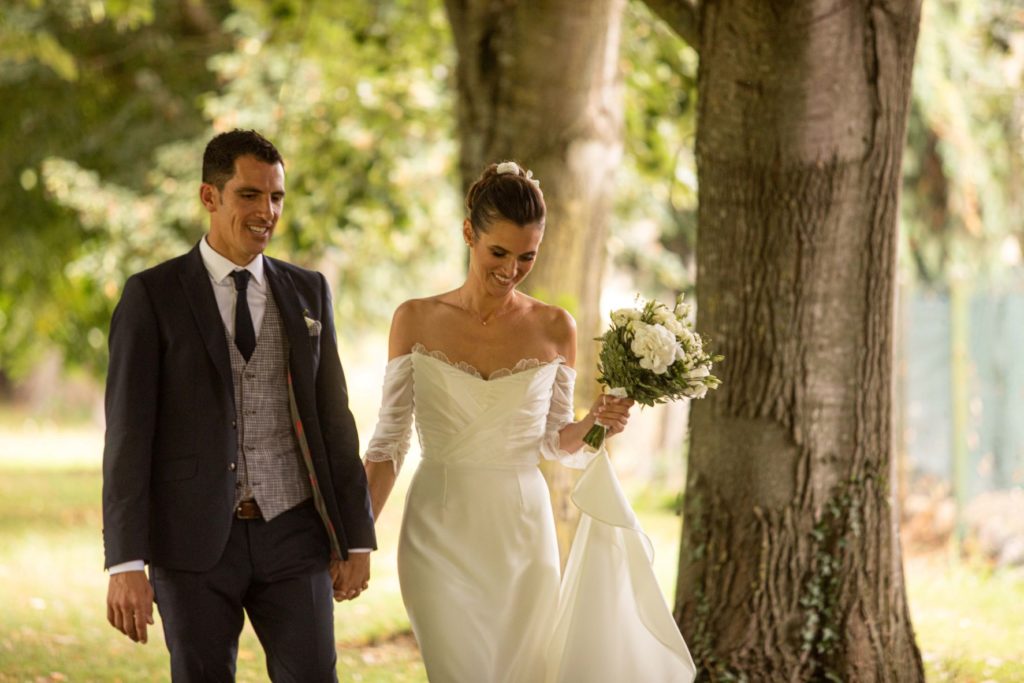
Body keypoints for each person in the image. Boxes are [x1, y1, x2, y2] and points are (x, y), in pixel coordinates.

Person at [363, 160, 696, 682]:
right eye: (498, 252)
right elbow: (387, 444)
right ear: (468, 232)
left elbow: (556, 442)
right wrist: (356, 540)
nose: (511, 269)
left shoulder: (554, 328)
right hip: (437, 531)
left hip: (522, 535)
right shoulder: (415, 319)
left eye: (526, 257)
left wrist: (598, 423)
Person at [102, 129, 375, 682]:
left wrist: (356, 535)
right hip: (191, 541)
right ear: (210, 197)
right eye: (250, 195)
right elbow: (128, 436)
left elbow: (333, 421)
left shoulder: (308, 290)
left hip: (294, 533)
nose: (267, 211)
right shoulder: (152, 295)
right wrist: (126, 561)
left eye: (276, 197)